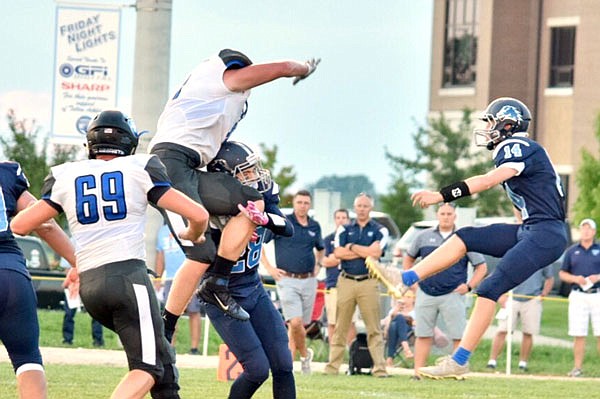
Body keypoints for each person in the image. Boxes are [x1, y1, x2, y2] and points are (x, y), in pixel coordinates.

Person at [11, 110, 209, 399]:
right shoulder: (140, 167)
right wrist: (194, 233)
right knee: (148, 367)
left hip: (91, 284)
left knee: (162, 360)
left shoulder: (65, 175)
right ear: (129, 144)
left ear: (90, 145)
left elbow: (20, 224)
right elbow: (198, 214)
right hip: (128, 277)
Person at [148, 49, 320, 330]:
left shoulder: (201, 95)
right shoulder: (221, 78)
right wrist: (302, 68)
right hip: (172, 164)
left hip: (188, 165)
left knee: (253, 201)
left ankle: (218, 281)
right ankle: (165, 327)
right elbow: (281, 67)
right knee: (200, 254)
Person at [405, 97, 568, 379]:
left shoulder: (516, 146)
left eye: (491, 123)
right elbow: (526, 205)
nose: (488, 129)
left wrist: (440, 195)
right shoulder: (520, 151)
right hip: (533, 229)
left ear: (508, 123)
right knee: (466, 236)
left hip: (545, 232)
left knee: (490, 287)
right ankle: (407, 278)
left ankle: (459, 360)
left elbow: (486, 181)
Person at [202, 140, 296, 398]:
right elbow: (202, 250)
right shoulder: (210, 207)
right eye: (246, 171)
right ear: (224, 177)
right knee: (256, 369)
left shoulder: (262, 196)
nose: (254, 176)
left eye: (253, 169)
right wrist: (234, 231)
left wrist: (264, 220)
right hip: (224, 295)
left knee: (283, 364)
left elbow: (287, 228)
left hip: (253, 288)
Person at [1, 161, 76, 399]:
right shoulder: (6, 172)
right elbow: (46, 225)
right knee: (27, 360)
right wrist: (80, 263)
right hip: (10, 274)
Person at [403, 203, 487, 378]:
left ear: (455, 216)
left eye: (449, 213)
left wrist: (469, 286)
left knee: (458, 336)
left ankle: (458, 373)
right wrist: (413, 283)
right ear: (437, 215)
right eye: (443, 213)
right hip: (425, 292)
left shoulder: (464, 238)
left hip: (453, 293)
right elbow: (409, 259)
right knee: (423, 334)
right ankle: (418, 373)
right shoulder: (423, 236)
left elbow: (481, 266)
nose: (446, 216)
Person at [324, 192, 390, 378]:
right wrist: (365, 251)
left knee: (374, 328)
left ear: (371, 208)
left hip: (368, 281)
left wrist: (351, 247)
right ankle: (332, 367)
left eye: (365, 206)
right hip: (346, 280)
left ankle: (379, 369)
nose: (362, 209)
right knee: (340, 327)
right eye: (359, 206)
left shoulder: (379, 229)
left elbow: (376, 253)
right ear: (355, 208)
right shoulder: (344, 229)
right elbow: (338, 253)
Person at [261, 190, 324, 375]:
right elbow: (261, 243)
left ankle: (292, 364)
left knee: (299, 326)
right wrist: (269, 268)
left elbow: (321, 248)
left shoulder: (315, 226)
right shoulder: (283, 222)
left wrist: (319, 264)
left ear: (309, 205)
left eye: (306, 202)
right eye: (299, 202)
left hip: (308, 280)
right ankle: (304, 356)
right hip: (287, 279)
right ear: (294, 203)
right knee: (294, 322)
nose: (302, 205)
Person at [486, 264, 554, 372]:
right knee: (502, 330)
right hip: (511, 297)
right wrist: (500, 295)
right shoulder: (513, 253)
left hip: (532, 298)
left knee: (528, 332)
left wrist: (544, 293)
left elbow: (549, 278)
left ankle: (523, 363)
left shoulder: (542, 255)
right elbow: (496, 275)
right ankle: (492, 361)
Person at [559, 218, 600, 378]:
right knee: (578, 333)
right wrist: (576, 279)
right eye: (583, 228)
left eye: (589, 228)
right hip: (578, 295)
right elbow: (562, 273)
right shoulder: (571, 251)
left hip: (597, 294)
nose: (586, 231)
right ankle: (577, 368)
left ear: (594, 231)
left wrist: (597, 277)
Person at [155, 223, 203, 354]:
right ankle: (169, 346)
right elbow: (160, 256)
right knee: (169, 313)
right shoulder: (162, 231)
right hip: (170, 278)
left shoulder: (188, 225)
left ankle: (194, 348)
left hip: (191, 276)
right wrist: (158, 278)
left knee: (194, 311)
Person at [321, 208, 357, 346]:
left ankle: (351, 355)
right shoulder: (328, 239)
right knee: (332, 321)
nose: (341, 220)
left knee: (350, 322)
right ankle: (333, 354)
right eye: (338, 217)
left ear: (348, 220)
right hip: (333, 285)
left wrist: (338, 256)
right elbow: (324, 261)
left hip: (351, 283)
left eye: (344, 217)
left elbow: (357, 258)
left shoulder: (353, 238)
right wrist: (343, 256)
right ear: (335, 220)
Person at [61, 262, 105, 347]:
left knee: (69, 316)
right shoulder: (94, 266)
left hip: (74, 293)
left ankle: (67, 340)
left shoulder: (75, 266)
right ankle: (98, 341)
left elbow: (66, 282)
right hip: (89, 291)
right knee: (96, 317)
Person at [382, 292, 416, 367]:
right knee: (394, 324)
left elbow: (416, 324)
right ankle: (406, 349)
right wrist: (397, 309)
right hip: (392, 333)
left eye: (409, 297)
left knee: (398, 320)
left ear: (414, 299)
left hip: (409, 333)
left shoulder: (415, 311)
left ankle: (390, 358)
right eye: (404, 297)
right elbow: (387, 323)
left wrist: (407, 318)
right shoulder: (393, 310)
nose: (406, 299)